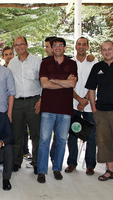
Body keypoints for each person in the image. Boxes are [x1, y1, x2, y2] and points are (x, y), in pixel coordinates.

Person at [37, 37, 77, 183]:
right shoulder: (45, 63)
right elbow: (44, 85)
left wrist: (54, 80)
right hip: (48, 109)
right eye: (55, 46)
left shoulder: (71, 63)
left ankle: (57, 168)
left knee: (61, 140)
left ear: (65, 48)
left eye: (61, 45)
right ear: (52, 48)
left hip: (65, 109)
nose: (58, 47)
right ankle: (41, 171)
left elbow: (72, 83)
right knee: (44, 140)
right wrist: (64, 83)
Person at [7, 36, 41, 174]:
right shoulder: (12, 63)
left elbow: (44, 81)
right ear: (14, 47)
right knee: (17, 135)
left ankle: (37, 163)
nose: (19, 47)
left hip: (34, 102)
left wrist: (41, 99)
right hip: (17, 103)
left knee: (35, 134)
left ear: (27, 45)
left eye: (21, 44)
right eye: (16, 45)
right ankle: (16, 162)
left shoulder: (37, 61)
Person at [64, 37, 97, 175]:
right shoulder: (70, 63)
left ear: (88, 47)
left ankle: (90, 165)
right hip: (72, 104)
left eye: (84, 44)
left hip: (89, 104)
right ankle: (72, 163)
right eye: (79, 44)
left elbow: (95, 84)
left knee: (91, 136)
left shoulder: (94, 63)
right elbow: (67, 85)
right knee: (72, 134)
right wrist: (78, 99)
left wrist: (85, 100)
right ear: (75, 46)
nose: (81, 46)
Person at [85, 40, 113, 181]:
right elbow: (91, 89)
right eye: (104, 49)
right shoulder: (97, 67)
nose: (107, 51)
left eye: (109, 49)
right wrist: (94, 109)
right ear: (101, 52)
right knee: (104, 142)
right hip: (101, 111)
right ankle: (110, 170)